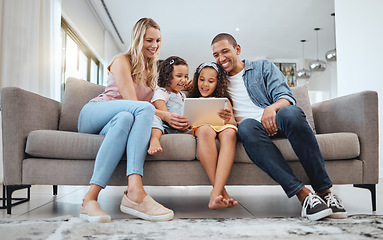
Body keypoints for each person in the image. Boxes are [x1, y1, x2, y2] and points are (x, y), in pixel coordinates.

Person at [210, 33, 347, 220]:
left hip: (277, 120)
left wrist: (271, 108)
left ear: (238, 49)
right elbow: (195, 88)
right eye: (216, 55)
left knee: (290, 112)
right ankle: (304, 196)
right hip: (251, 131)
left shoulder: (262, 67)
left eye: (225, 51)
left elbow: (286, 97)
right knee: (246, 126)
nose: (221, 58)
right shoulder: (216, 79)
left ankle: (325, 192)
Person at [77, 18, 174, 223]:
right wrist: (166, 116)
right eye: (149, 40)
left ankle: (89, 199)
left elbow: (135, 113)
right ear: (138, 39)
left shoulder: (150, 73)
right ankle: (135, 191)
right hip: (95, 113)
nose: (154, 45)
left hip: (116, 121)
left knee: (125, 118)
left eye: (158, 40)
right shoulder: (122, 60)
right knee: (140, 109)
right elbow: (134, 103)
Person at [189, 62, 239, 209]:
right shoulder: (194, 101)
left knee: (230, 133)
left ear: (218, 83)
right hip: (204, 127)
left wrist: (227, 118)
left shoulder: (224, 100)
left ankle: (215, 194)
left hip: (223, 127)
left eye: (211, 81)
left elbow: (233, 124)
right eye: (201, 79)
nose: (205, 84)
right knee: (205, 130)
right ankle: (220, 192)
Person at [148, 56, 190, 155]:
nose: (183, 80)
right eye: (179, 76)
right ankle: (154, 140)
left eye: (186, 76)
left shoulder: (182, 95)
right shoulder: (161, 92)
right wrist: (175, 123)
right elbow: (164, 113)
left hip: (181, 126)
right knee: (154, 118)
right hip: (166, 125)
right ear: (167, 76)